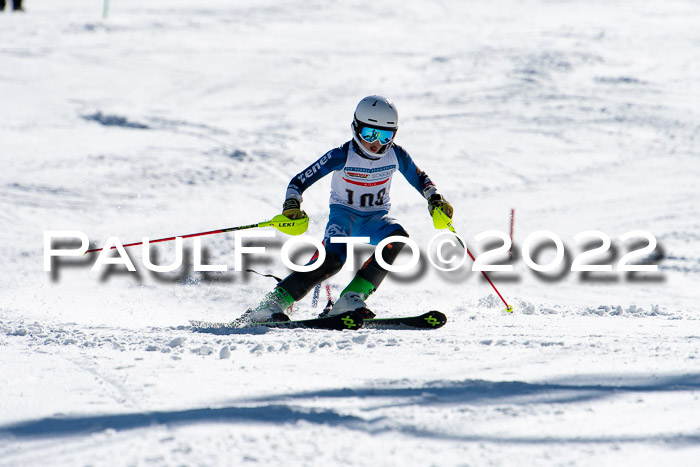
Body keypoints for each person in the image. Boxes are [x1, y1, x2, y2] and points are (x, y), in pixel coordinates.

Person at [244, 95, 454, 322]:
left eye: (385, 135)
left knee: (397, 238)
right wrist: (292, 205)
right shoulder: (343, 155)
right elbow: (298, 182)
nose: (377, 142)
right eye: (369, 133)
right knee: (333, 260)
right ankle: (271, 304)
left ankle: (350, 298)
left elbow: (421, 178)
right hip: (343, 219)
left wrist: (435, 199)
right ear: (356, 128)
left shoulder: (396, 155)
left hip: (375, 221)